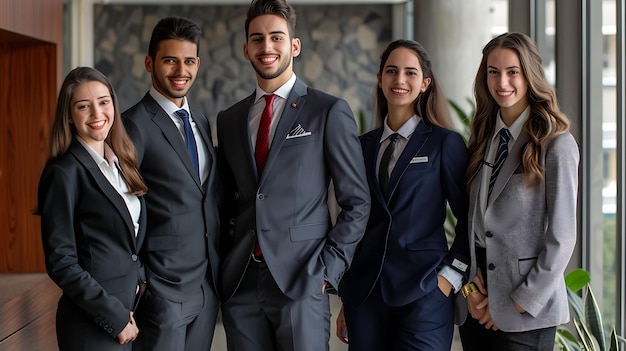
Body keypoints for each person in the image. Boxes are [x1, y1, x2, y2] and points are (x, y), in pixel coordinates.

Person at [216, 0, 370, 350]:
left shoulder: (328, 110)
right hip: (242, 282)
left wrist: (326, 271)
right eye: (257, 39)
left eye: (276, 37)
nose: (266, 47)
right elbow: (228, 201)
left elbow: (357, 203)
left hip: (302, 280)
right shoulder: (229, 119)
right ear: (245, 49)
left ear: (294, 46)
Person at [334, 39, 470, 351]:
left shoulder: (444, 144)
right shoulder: (361, 147)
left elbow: (468, 220)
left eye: (410, 73)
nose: (399, 80)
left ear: (424, 84)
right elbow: (354, 220)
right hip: (366, 297)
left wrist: (448, 279)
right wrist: (348, 297)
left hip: (425, 292)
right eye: (392, 71)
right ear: (380, 79)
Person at [457, 32, 579, 351]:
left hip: (527, 311)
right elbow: (471, 225)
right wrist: (471, 289)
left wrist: (519, 303)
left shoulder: (556, 145)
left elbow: (563, 236)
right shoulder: (483, 139)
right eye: (493, 72)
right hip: (479, 301)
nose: (502, 82)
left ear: (530, 74)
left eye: (513, 71)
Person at [121, 16, 220, 351]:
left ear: (198, 64)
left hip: (206, 286)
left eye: (189, 61)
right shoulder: (132, 126)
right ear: (150, 63)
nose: (181, 70)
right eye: (170, 60)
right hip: (162, 288)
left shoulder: (201, 122)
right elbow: (118, 209)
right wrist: (142, 281)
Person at [37, 66, 148, 350]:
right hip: (93, 322)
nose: (97, 114)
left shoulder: (121, 164)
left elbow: (129, 241)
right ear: (70, 116)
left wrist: (141, 281)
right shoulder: (63, 173)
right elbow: (61, 262)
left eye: (103, 102)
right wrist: (115, 317)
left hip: (130, 315)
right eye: (84, 106)